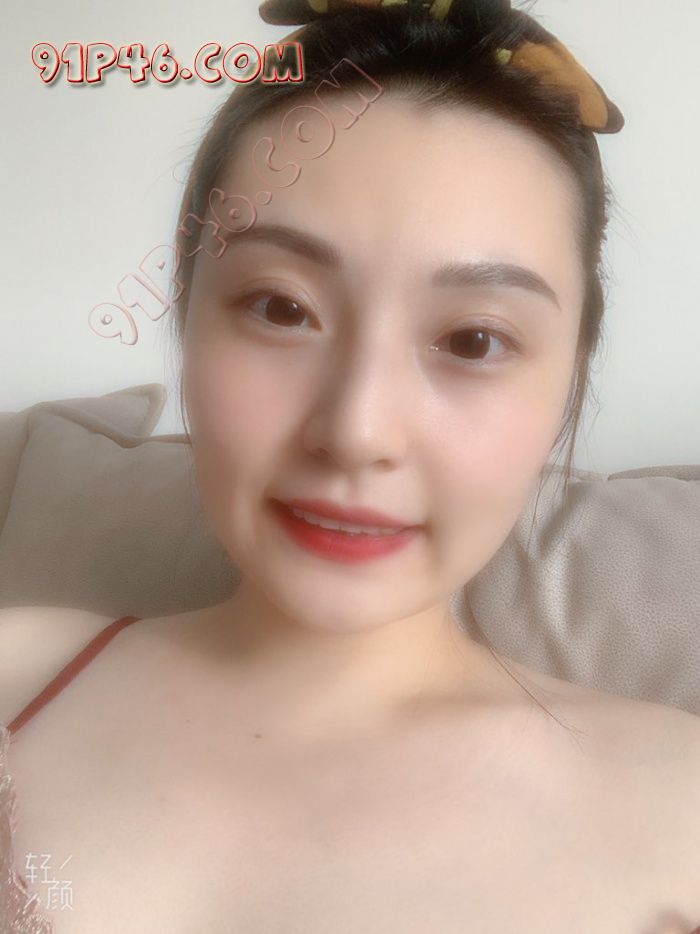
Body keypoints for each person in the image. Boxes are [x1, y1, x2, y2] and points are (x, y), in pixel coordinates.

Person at [2, 1, 699, 931]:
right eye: (281, 308)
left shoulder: (679, 812)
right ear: (186, 312)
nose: (358, 430)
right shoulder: (16, 675)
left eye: (474, 339)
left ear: (568, 381)